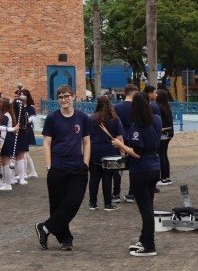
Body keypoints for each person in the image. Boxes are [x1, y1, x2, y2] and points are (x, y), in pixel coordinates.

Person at [34, 84, 91, 251]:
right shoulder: (52, 118)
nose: (64, 100)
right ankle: (65, 239)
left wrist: (86, 163)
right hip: (58, 167)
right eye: (60, 97)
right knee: (58, 205)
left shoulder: (82, 118)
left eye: (67, 96)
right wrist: (49, 165)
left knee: (73, 203)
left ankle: (43, 228)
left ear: (73, 97)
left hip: (78, 169)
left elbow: (86, 142)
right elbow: (46, 143)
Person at [111, 93, 162, 257]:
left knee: (146, 210)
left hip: (141, 170)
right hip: (155, 167)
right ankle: (144, 238)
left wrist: (121, 145)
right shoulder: (157, 119)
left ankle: (149, 246)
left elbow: (137, 153)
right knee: (149, 208)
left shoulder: (136, 126)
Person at [88, 96, 125, 211]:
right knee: (107, 178)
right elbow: (119, 138)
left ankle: (92, 203)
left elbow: (86, 137)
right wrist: (122, 153)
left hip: (94, 151)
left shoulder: (91, 119)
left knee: (94, 178)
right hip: (110, 152)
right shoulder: (114, 119)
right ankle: (108, 204)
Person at [114, 84, 138, 204]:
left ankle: (116, 193)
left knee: (119, 167)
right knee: (133, 167)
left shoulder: (117, 107)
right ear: (134, 93)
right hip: (134, 139)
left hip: (120, 138)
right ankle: (131, 193)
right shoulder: (137, 107)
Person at [0, 98, 20, 191]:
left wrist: (0, 143)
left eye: (0, 103)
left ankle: (7, 184)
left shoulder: (5, 116)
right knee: (5, 161)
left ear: (3, 105)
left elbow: (3, 131)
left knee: (6, 162)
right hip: (8, 139)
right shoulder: (8, 115)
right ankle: (5, 182)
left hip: (6, 139)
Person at [155, 90, 174, 186]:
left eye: (156, 94)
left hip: (162, 133)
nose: (155, 95)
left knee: (160, 155)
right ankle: (166, 177)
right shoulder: (167, 107)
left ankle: (162, 178)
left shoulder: (158, 107)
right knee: (164, 155)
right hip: (168, 133)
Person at [21, 89, 39, 179]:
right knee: (25, 153)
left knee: (24, 152)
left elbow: (33, 118)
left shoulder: (30, 107)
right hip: (22, 129)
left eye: (23, 95)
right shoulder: (20, 106)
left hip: (27, 129)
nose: (21, 96)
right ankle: (33, 172)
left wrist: (26, 120)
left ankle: (23, 173)